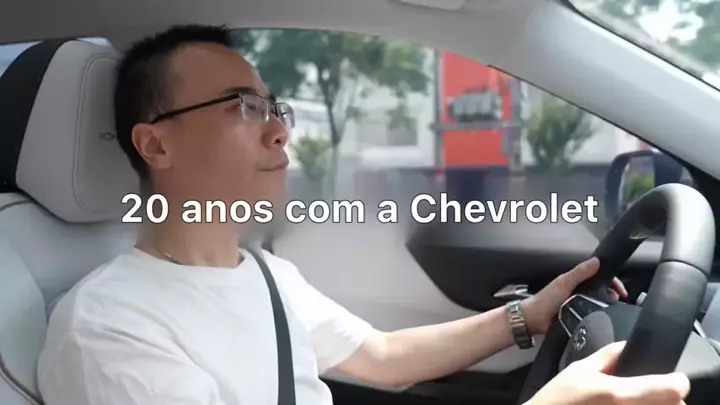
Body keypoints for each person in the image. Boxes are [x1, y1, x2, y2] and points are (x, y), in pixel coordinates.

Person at [36, 25, 690, 405]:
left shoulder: (264, 273)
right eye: (242, 108)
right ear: (156, 145)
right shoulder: (107, 327)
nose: (279, 132)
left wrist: (531, 315)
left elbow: (382, 356)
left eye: (274, 108)